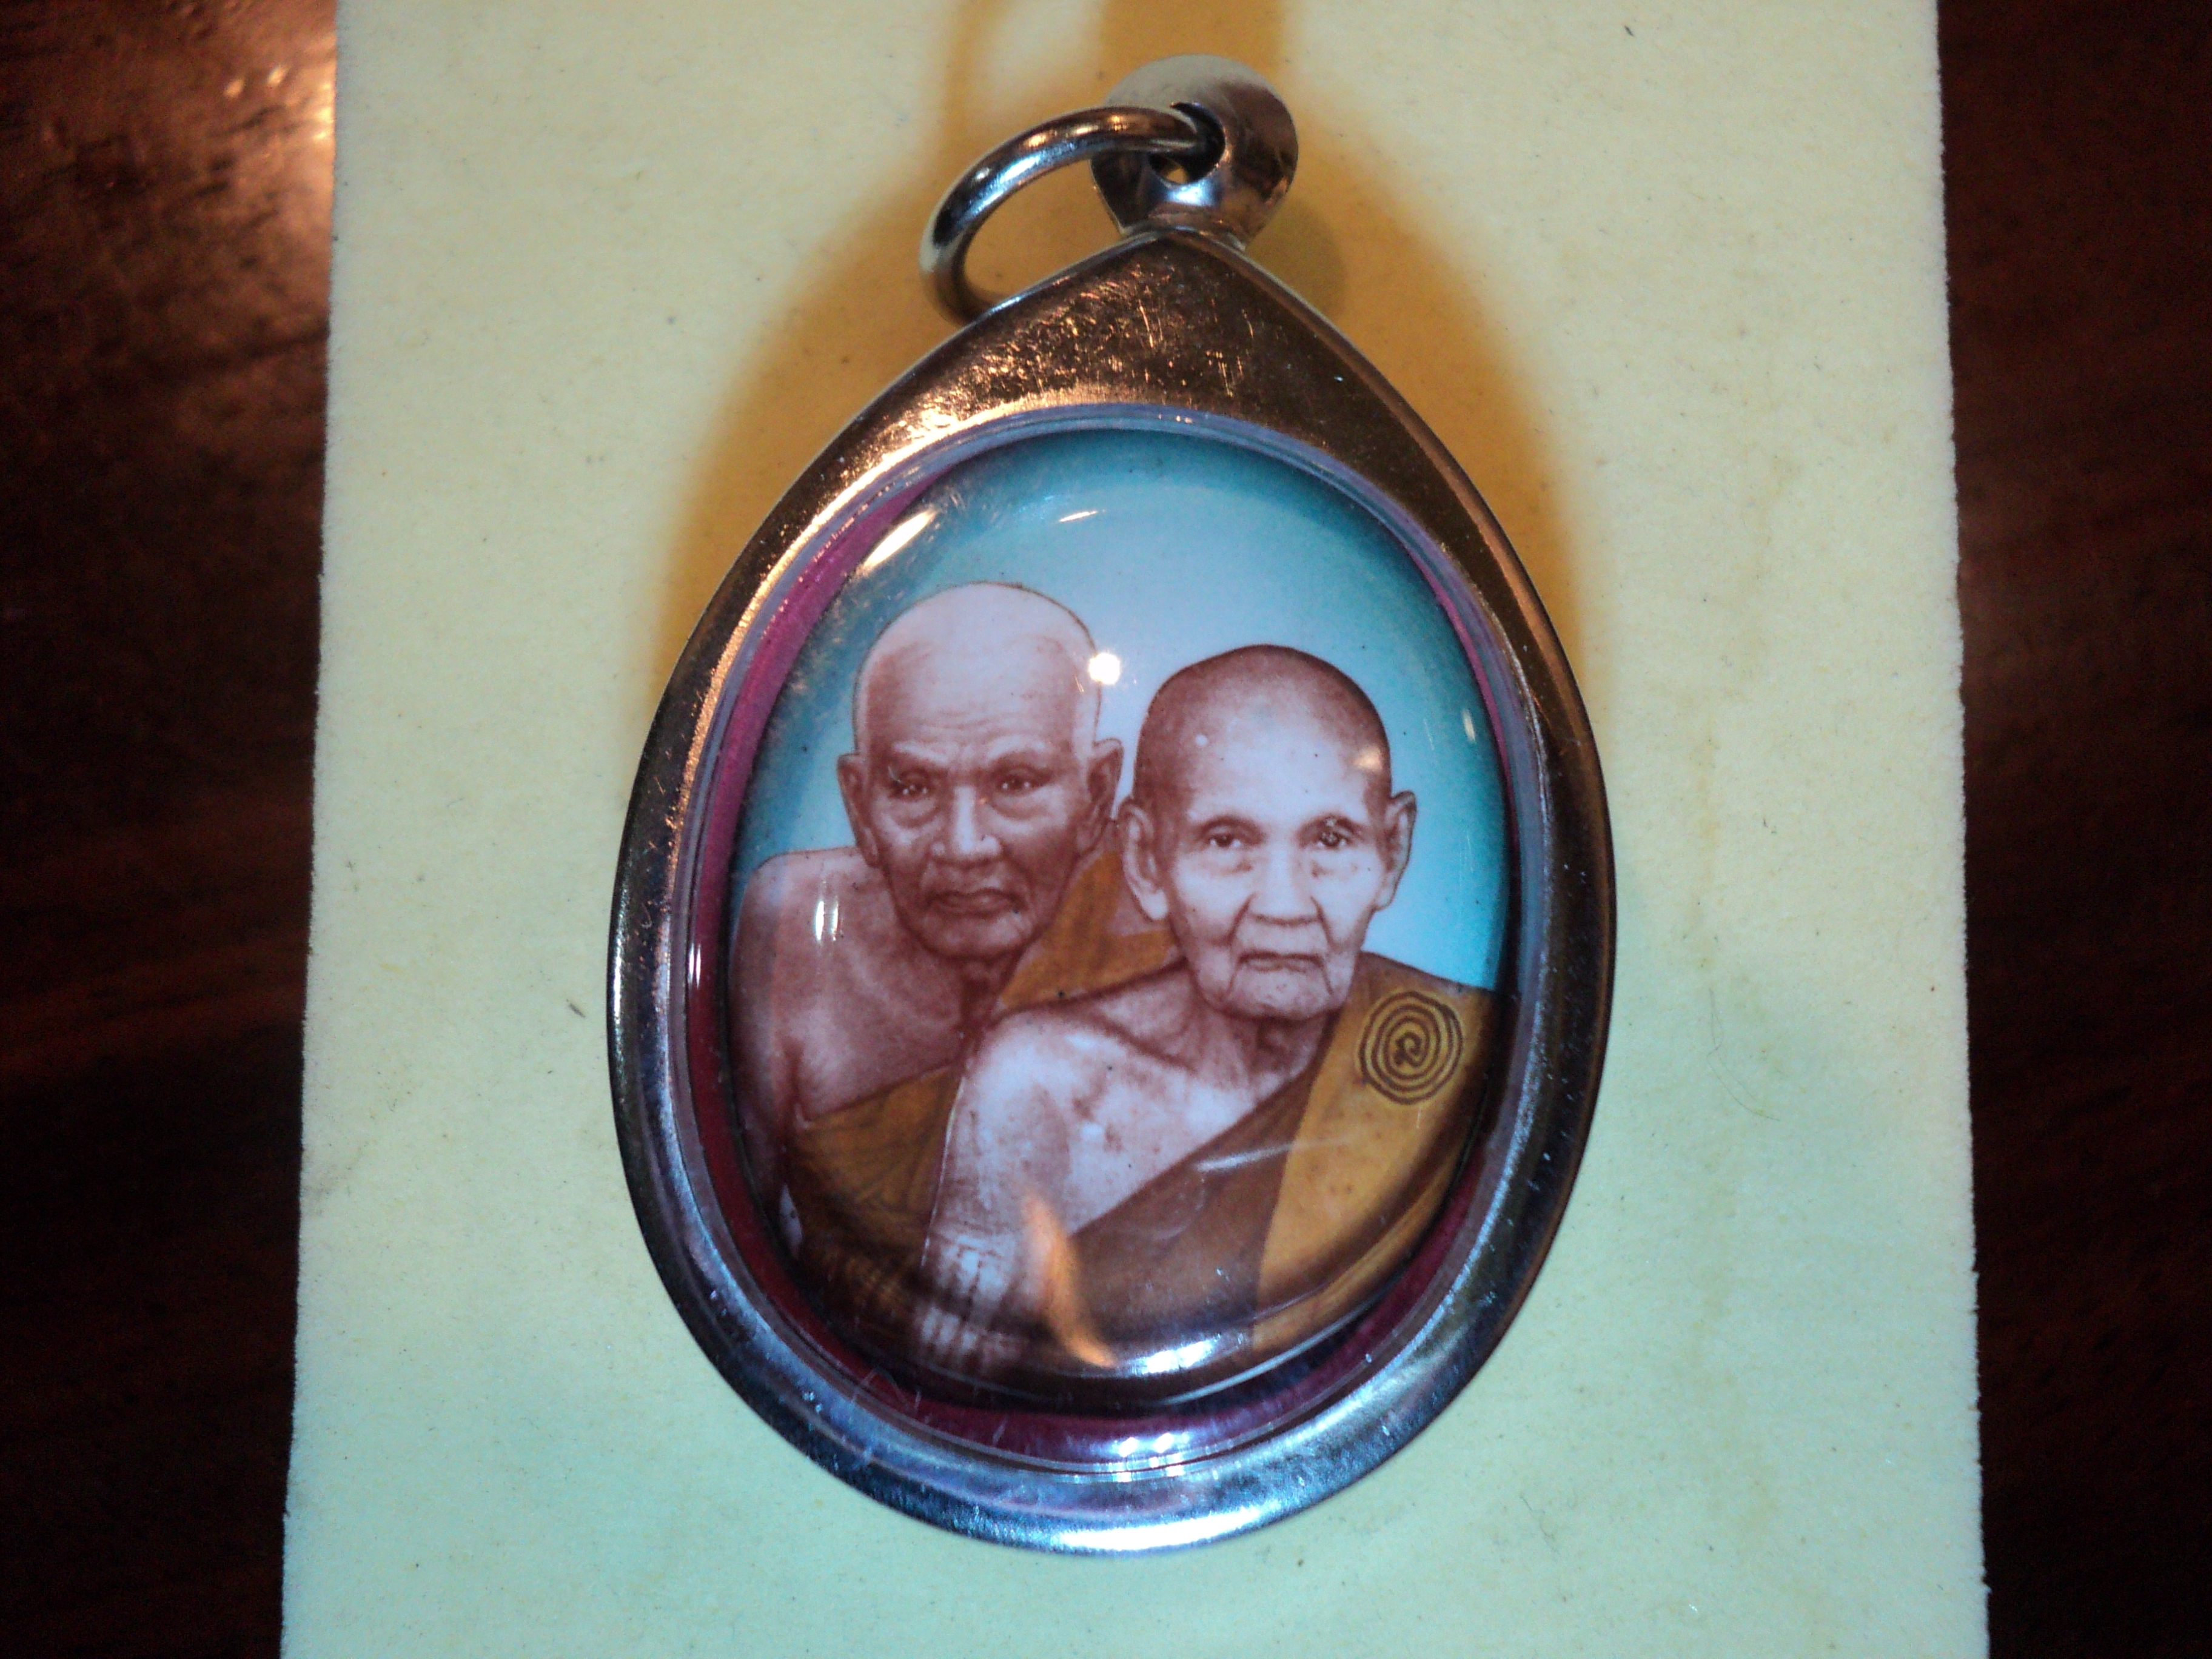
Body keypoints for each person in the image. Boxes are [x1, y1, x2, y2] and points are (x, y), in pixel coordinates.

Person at [911, 645, 1495, 1398]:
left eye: (1330, 840)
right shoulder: (1039, 1088)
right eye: (1227, 843)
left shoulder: (1462, 1052)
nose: (1284, 905)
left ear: (1393, 850)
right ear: (1147, 861)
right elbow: (950, 1405)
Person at [732, 583, 1171, 1353]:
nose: (964, 845)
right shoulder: (795, 932)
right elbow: (734, 1256)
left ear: (1098, 791)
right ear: (859, 803)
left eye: (1015, 783)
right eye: (912, 787)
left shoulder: (1173, 943)